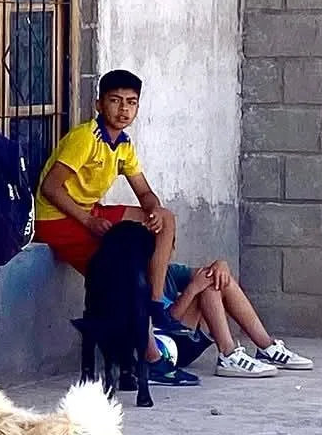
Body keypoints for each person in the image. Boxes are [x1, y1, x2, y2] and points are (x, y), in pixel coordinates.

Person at [34, 69, 200, 387]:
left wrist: (151, 211)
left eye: (131, 103)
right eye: (115, 101)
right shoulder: (86, 137)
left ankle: (154, 300)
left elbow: (146, 192)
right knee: (125, 274)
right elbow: (51, 188)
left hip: (89, 212)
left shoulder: (123, 145)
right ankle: (149, 359)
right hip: (57, 218)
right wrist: (87, 221)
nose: (123, 109)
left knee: (165, 219)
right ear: (99, 104)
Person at [165, 260, 314, 377]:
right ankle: (228, 354)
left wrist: (220, 265)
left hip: (187, 340)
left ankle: (267, 348)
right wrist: (192, 290)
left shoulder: (169, 271)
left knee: (218, 279)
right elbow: (165, 322)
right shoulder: (145, 279)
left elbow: (206, 274)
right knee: (207, 289)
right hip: (168, 349)